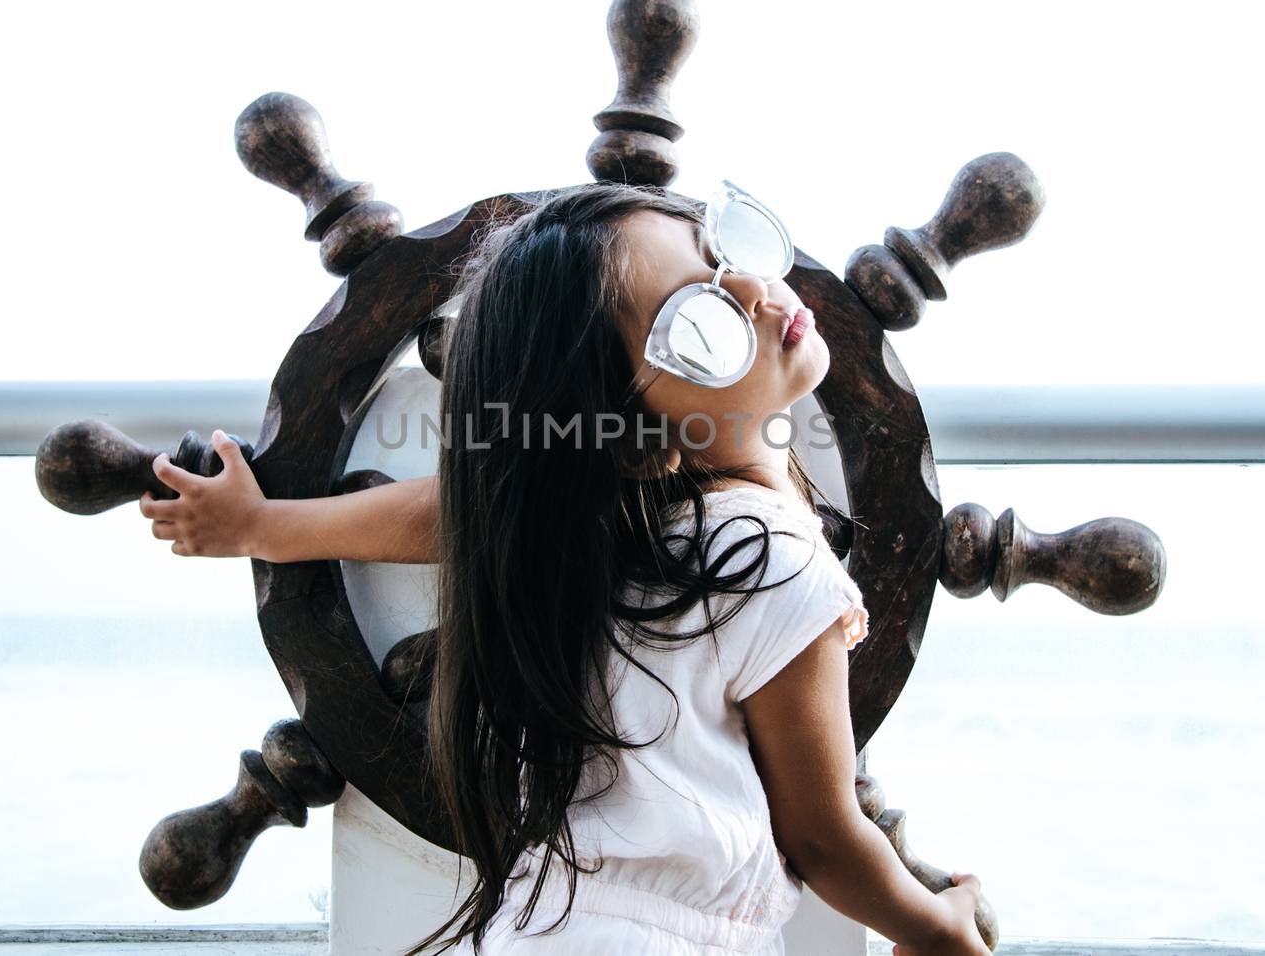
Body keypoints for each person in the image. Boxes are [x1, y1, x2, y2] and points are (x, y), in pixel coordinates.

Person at [137, 182, 991, 956]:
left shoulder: (599, 521)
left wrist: (262, 527)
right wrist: (935, 931)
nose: (757, 294)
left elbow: (463, 509)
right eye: (697, 322)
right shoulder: (774, 562)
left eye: (723, 253)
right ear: (638, 439)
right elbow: (824, 835)